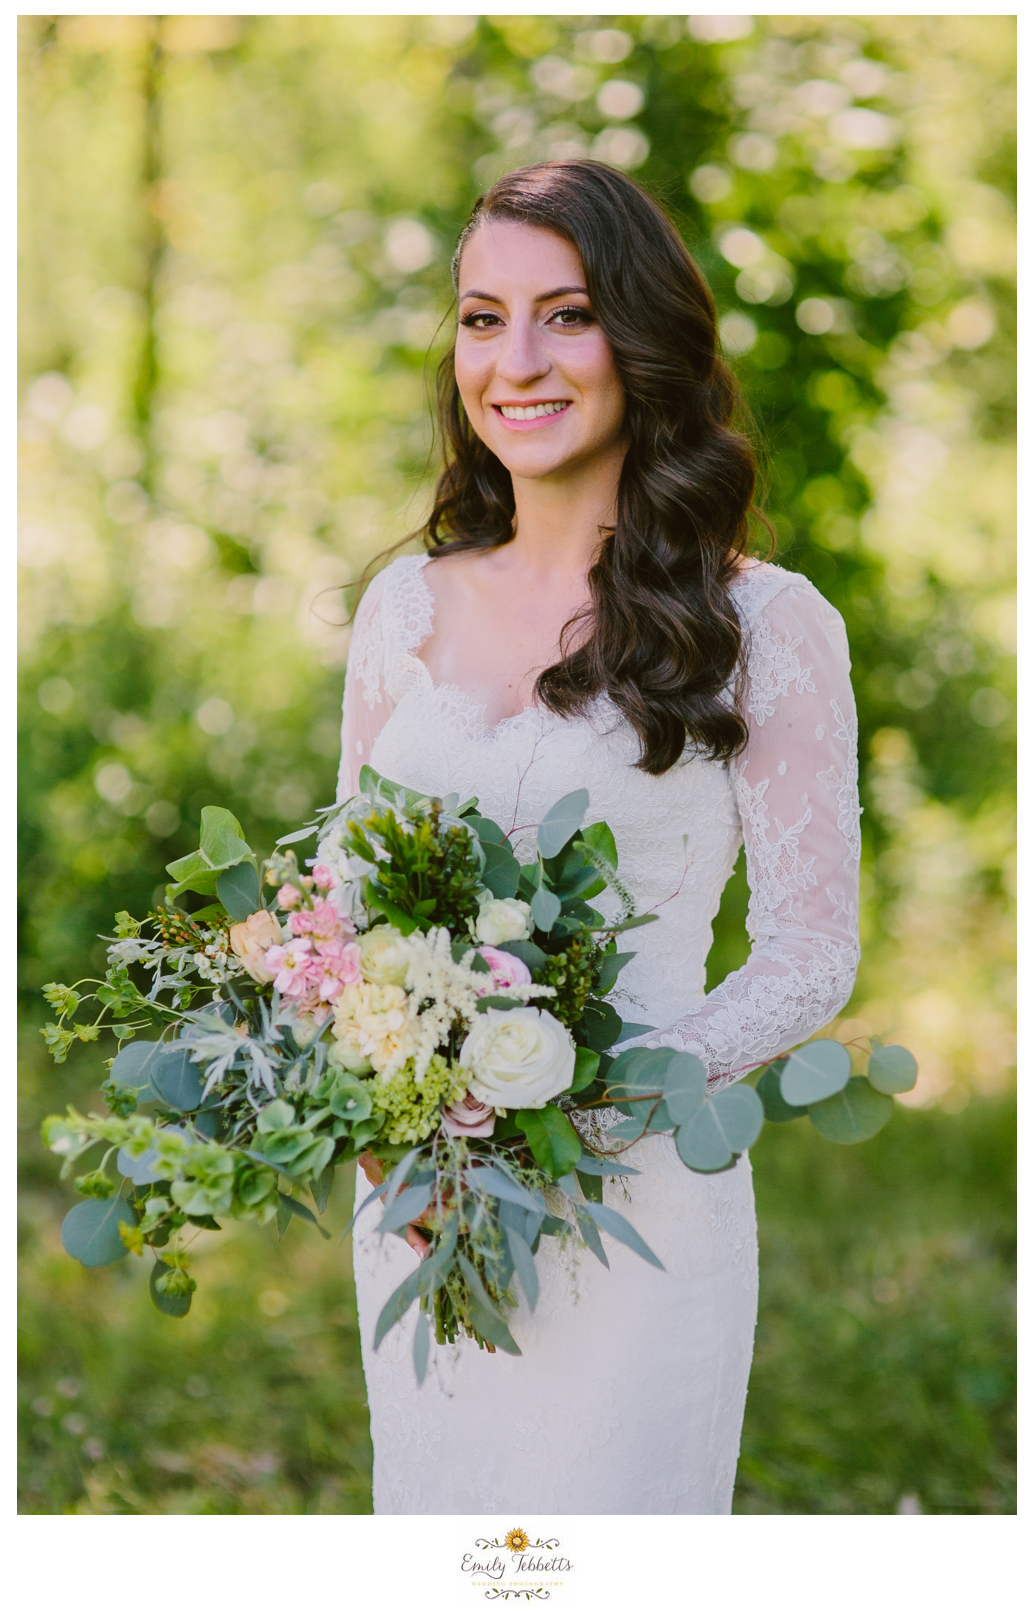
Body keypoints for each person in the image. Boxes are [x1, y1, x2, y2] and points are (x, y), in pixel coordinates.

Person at [335, 160, 860, 1514]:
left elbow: (809, 957)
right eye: (479, 317)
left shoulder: (765, 626)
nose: (514, 360)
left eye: (563, 315)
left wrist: (575, 1093)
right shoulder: (403, 604)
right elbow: (341, 903)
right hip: (424, 1197)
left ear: (640, 337)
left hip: (637, 1207)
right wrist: (381, 1085)